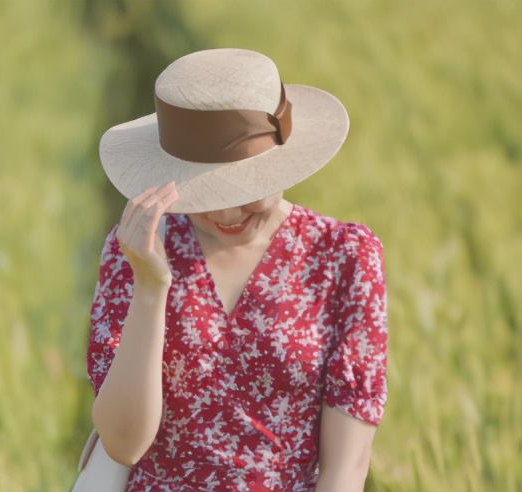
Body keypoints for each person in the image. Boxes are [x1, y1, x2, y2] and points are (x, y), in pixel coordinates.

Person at [86, 48, 387, 492]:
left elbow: (347, 469)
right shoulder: (139, 247)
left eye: (245, 186)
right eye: (202, 191)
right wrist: (151, 288)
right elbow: (123, 445)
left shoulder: (344, 257)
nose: (226, 214)